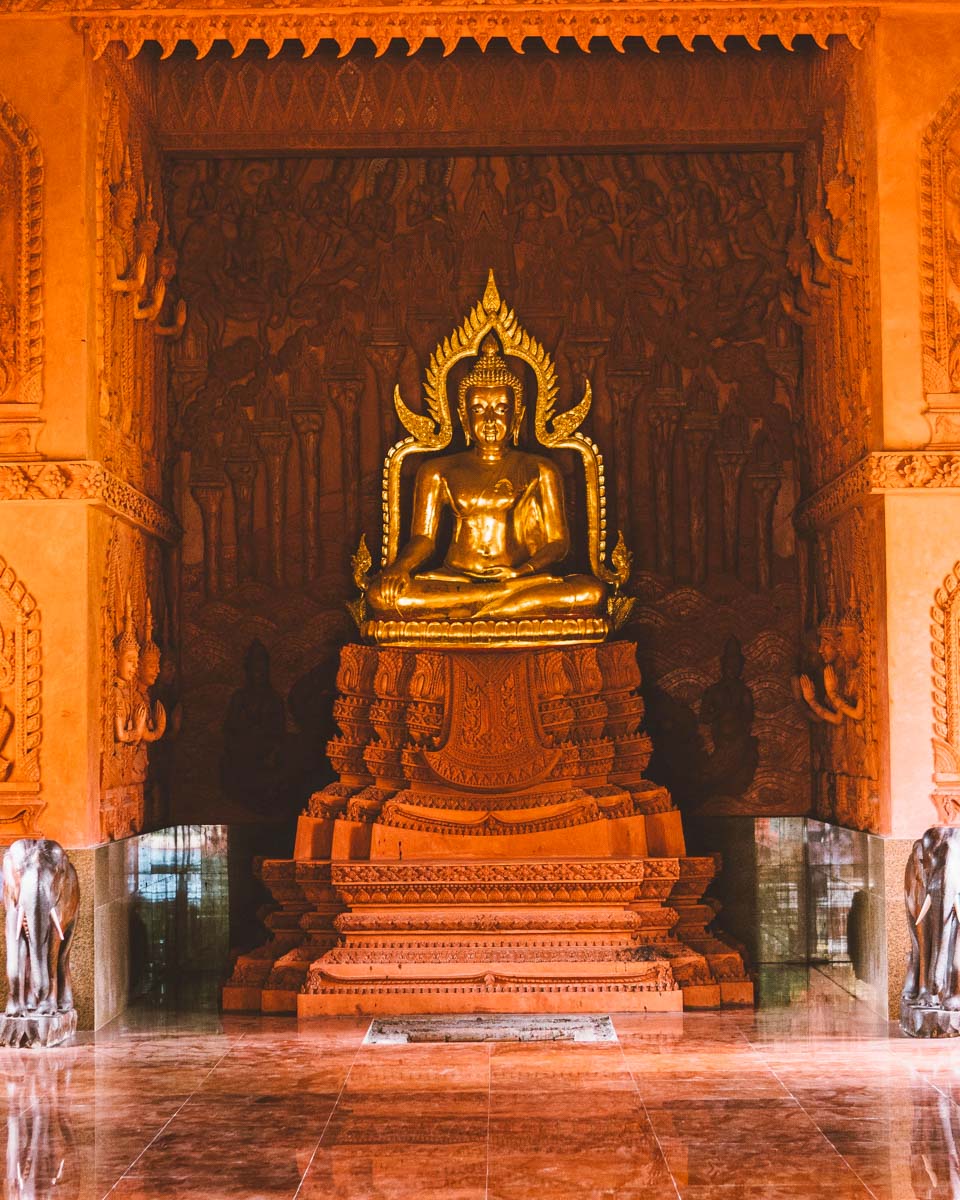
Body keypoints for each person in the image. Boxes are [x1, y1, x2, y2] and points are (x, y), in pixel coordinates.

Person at [366, 334, 605, 621]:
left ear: (518, 416)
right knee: (382, 597)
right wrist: (400, 568)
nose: (490, 419)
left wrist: (521, 572)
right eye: (478, 409)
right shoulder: (437, 470)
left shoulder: (541, 469)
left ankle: (474, 612)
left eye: (502, 408)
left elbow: (558, 543)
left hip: (520, 580)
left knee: (591, 591)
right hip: (455, 581)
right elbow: (424, 538)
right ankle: (496, 608)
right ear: (463, 417)